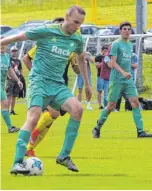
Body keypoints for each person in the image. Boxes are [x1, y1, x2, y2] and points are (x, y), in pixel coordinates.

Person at [1, 5, 92, 175]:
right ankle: (17, 162)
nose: (77, 26)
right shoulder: (47, 30)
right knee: (34, 117)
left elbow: (81, 58)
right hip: (39, 82)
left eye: (80, 23)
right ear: (66, 17)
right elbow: (20, 37)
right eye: (75, 22)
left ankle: (64, 156)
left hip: (57, 85)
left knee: (78, 109)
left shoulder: (77, 39)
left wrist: (87, 84)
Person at [22, 17, 81, 158]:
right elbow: (26, 58)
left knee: (51, 119)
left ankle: (30, 147)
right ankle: (33, 134)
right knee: (52, 114)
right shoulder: (45, 43)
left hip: (60, 86)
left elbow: (77, 70)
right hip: (42, 84)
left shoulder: (70, 46)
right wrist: (36, 77)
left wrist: (77, 63)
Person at [92, 21, 152, 138]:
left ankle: (140, 131)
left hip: (127, 80)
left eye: (129, 29)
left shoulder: (130, 45)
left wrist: (129, 71)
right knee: (111, 106)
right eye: (124, 29)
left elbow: (127, 61)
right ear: (120, 31)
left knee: (135, 102)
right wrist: (124, 72)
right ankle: (97, 127)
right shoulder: (116, 44)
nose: (127, 31)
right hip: (117, 80)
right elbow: (113, 63)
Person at [1, 40, 23, 133]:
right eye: (1, 44)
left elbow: (10, 70)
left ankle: (10, 127)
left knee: (4, 104)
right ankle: (10, 127)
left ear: (7, 46)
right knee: (5, 103)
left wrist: (18, 80)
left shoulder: (6, 57)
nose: (2, 46)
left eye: (4, 44)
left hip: (2, 84)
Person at [6, 46, 23, 115]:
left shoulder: (18, 61)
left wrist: (20, 77)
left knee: (14, 96)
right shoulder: (8, 59)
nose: (14, 52)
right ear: (10, 51)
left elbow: (20, 69)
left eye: (15, 51)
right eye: (13, 51)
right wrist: (8, 76)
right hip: (10, 80)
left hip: (17, 80)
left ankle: (12, 110)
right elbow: (6, 67)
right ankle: (6, 110)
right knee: (9, 96)